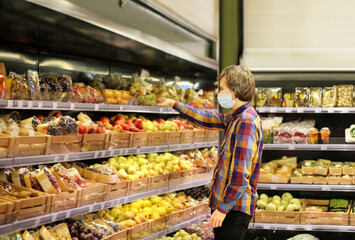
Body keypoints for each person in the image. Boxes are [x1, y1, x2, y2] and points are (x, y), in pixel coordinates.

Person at [157, 65, 263, 240]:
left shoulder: (246, 122)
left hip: (233, 209)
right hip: (229, 206)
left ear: (235, 91)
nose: (219, 94)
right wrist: (175, 104)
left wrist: (222, 209)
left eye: (222, 89)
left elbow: (240, 174)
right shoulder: (237, 117)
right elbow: (207, 118)